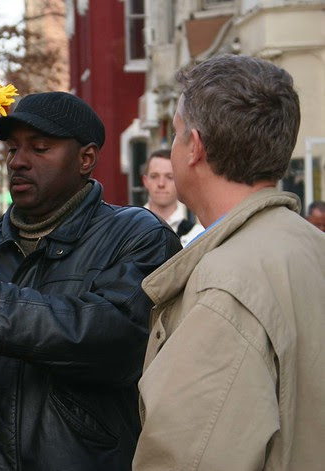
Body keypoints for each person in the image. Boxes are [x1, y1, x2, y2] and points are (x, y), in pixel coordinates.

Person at [0, 91, 182, 470]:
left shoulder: (137, 235)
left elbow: (120, 343)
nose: (18, 161)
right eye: (12, 149)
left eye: (39, 148)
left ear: (86, 159)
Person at [133, 55, 325, 470]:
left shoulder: (225, 283)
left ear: (195, 148)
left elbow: (192, 456)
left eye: (177, 134)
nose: (175, 147)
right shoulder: (311, 244)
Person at [141, 149, 203, 245]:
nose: (161, 184)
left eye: (169, 177)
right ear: (145, 181)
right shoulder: (130, 228)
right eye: (154, 176)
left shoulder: (197, 234)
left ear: (179, 180)